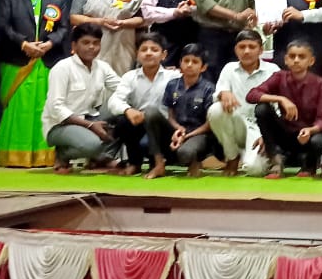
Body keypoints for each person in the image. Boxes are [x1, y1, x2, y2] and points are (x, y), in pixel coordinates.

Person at [0, 0, 68, 167]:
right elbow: (3, 25)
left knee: (43, 107)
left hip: (46, 60)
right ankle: (14, 154)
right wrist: (24, 44)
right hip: (17, 59)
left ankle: (44, 155)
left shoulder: (56, 0)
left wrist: (49, 44)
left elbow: (63, 28)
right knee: (19, 107)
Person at [41, 23, 122, 174]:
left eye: (96, 43)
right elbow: (56, 108)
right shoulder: (62, 68)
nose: (91, 47)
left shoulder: (102, 67)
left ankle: (100, 159)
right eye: (86, 43)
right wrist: (90, 126)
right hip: (60, 125)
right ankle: (62, 154)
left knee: (124, 112)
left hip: (91, 118)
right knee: (93, 145)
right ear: (74, 45)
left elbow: (123, 88)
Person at [244, 39, 322, 178]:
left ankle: (309, 165)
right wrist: (280, 99)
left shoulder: (319, 83)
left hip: (306, 136)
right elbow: (252, 95)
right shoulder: (279, 77)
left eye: (301, 57)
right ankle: (276, 160)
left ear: (311, 61)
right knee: (262, 109)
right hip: (284, 134)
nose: (296, 60)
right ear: (286, 60)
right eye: (292, 56)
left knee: (318, 141)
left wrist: (310, 130)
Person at [208, 29, 280, 176]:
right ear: (236, 50)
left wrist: (267, 136)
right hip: (236, 124)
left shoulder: (273, 70)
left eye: (252, 47)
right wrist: (223, 93)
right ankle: (232, 157)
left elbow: (277, 110)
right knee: (215, 110)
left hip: (260, 129)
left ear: (261, 50)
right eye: (242, 47)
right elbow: (218, 93)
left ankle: (249, 155)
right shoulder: (229, 69)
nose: (246, 51)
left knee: (255, 170)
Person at [107, 33, 180, 176]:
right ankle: (135, 163)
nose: (148, 53)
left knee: (151, 113)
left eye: (154, 49)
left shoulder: (174, 77)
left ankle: (158, 163)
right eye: (144, 49)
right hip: (141, 126)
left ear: (164, 55)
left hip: (165, 130)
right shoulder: (130, 77)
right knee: (122, 121)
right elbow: (114, 101)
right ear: (137, 54)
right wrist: (128, 110)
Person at [144, 44, 216, 179]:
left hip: (198, 133)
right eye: (186, 61)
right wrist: (178, 129)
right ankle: (158, 164)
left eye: (195, 62)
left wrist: (187, 136)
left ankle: (195, 162)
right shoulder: (172, 85)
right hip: (176, 131)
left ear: (203, 67)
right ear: (180, 63)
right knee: (150, 111)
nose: (189, 65)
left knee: (185, 153)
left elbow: (209, 124)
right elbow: (170, 115)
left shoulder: (209, 88)